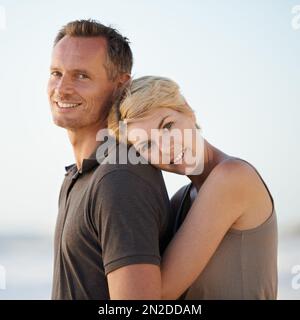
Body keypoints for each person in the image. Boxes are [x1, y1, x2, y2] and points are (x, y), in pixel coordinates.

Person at [108, 76, 278, 299]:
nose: (166, 146)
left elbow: (156, 295)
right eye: (147, 145)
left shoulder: (233, 177)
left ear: (187, 110)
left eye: (168, 126)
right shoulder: (180, 201)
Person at [48, 20, 176, 299]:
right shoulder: (80, 175)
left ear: (120, 86)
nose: (62, 89)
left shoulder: (120, 177)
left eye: (81, 76)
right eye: (56, 73)